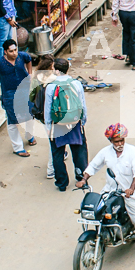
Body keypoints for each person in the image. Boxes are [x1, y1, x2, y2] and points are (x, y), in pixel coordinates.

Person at [78, 123, 135, 256]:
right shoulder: (106, 152)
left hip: (130, 192)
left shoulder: (132, 151)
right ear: (111, 141)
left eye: (122, 140)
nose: (120, 143)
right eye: (117, 141)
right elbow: (93, 165)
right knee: (99, 211)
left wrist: (131, 189)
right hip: (110, 191)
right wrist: (84, 179)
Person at [43, 55, 89, 192]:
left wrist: (48, 126)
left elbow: (48, 109)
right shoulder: (76, 84)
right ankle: (81, 178)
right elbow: (82, 105)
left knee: (57, 154)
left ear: (56, 70)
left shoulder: (51, 87)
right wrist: (83, 120)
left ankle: (62, 183)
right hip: (75, 123)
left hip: (58, 125)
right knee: (79, 152)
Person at [28, 53, 58, 180]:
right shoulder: (54, 79)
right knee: (54, 142)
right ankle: (51, 169)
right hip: (52, 114)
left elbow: (31, 96)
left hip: (41, 114)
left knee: (53, 138)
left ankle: (62, 154)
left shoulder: (36, 78)